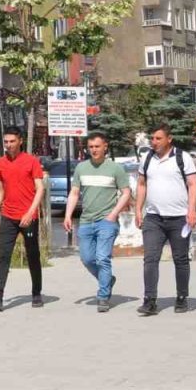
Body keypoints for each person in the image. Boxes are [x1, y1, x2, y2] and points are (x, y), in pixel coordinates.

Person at [62, 132, 130, 313]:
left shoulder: (115, 168)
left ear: (105, 146)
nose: (94, 150)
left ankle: (103, 296)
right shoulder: (81, 168)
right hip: (86, 221)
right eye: (91, 147)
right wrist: (68, 215)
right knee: (86, 258)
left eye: (97, 146)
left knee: (102, 258)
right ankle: (107, 279)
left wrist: (113, 214)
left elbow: (126, 193)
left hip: (106, 221)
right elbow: (75, 193)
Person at [134, 125, 196, 316]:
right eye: (152, 138)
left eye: (158, 138)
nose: (154, 142)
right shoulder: (147, 159)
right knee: (150, 259)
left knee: (180, 259)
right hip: (154, 218)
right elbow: (141, 184)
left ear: (169, 139)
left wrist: (192, 210)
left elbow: (193, 184)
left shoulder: (182, 157)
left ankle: (182, 297)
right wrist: (138, 209)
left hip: (179, 218)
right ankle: (150, 300)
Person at [0, 126, 46, 311]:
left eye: (12, 141)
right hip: (8, 216)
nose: (8, 145)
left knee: (33, 255)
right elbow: (0, 190)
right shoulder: (0, 163)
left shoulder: (31, 161)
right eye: (6, 142)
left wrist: (30, 212)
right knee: (3, 256)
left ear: (20, 141)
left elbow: (40, 188)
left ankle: (36, 293)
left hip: (28, 217)